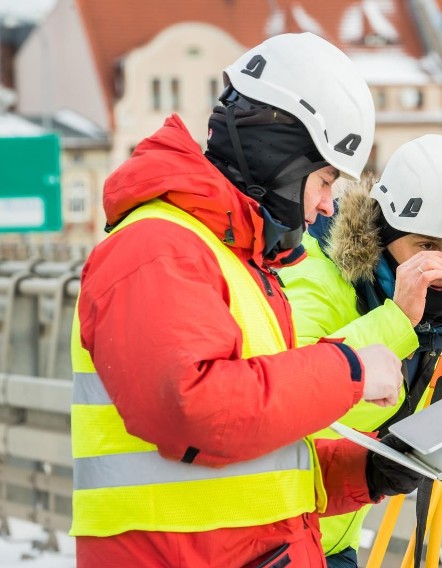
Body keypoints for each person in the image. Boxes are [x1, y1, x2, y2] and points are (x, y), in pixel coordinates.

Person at [70, 32, 424, 568]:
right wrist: (349, 370)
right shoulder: (157, 249)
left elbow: (257, 468)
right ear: (279, 157)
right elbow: (195, 411)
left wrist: (366, 472)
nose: (327, 205)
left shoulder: (236, 262)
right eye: (324, 180)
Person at [280, 134, 442, 567]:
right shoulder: (315, 273)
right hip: (289, 539)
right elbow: (291, 401)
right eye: (425, 246)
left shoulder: (438, 307)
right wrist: (399, 319)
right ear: (385, 232)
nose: (441, 264)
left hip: (336, 533)